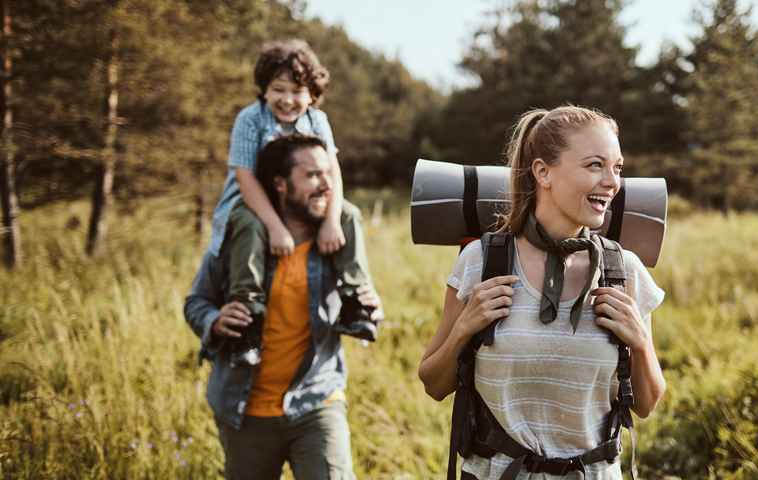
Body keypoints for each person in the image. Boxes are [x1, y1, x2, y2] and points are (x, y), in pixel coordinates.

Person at [418, 106, 667, 480]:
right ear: (543, 172)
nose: (612, 181)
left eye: (617, 168)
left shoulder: (623, 271)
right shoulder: (482, 261)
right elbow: (434, 384)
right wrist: (462, 331)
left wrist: (642, 343)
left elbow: (646, 404)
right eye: (595, 165)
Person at [185, 134, 381, 480]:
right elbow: (196, 302)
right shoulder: (241, 240)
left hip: (317, 402)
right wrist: (214, 320)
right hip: (245, 411)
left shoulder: (337, 239)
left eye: (328, 174)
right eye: (312, 176)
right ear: (280, 184)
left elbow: (364, 298)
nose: (326, 185)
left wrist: (371, 306)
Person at [207, 39, 377, 367]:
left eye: (297, 91)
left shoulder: (317, 121)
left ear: (312, 94)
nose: (287, 100)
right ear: (264, 90)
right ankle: (248, 322)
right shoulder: (250, 119)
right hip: (253, 202)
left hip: (306, 199)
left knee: (349, 215)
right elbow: (245, 177)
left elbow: (333, 173)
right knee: (248, 224)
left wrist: (329, 220)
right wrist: (274, 226)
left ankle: (356, 302)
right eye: (278, 89)